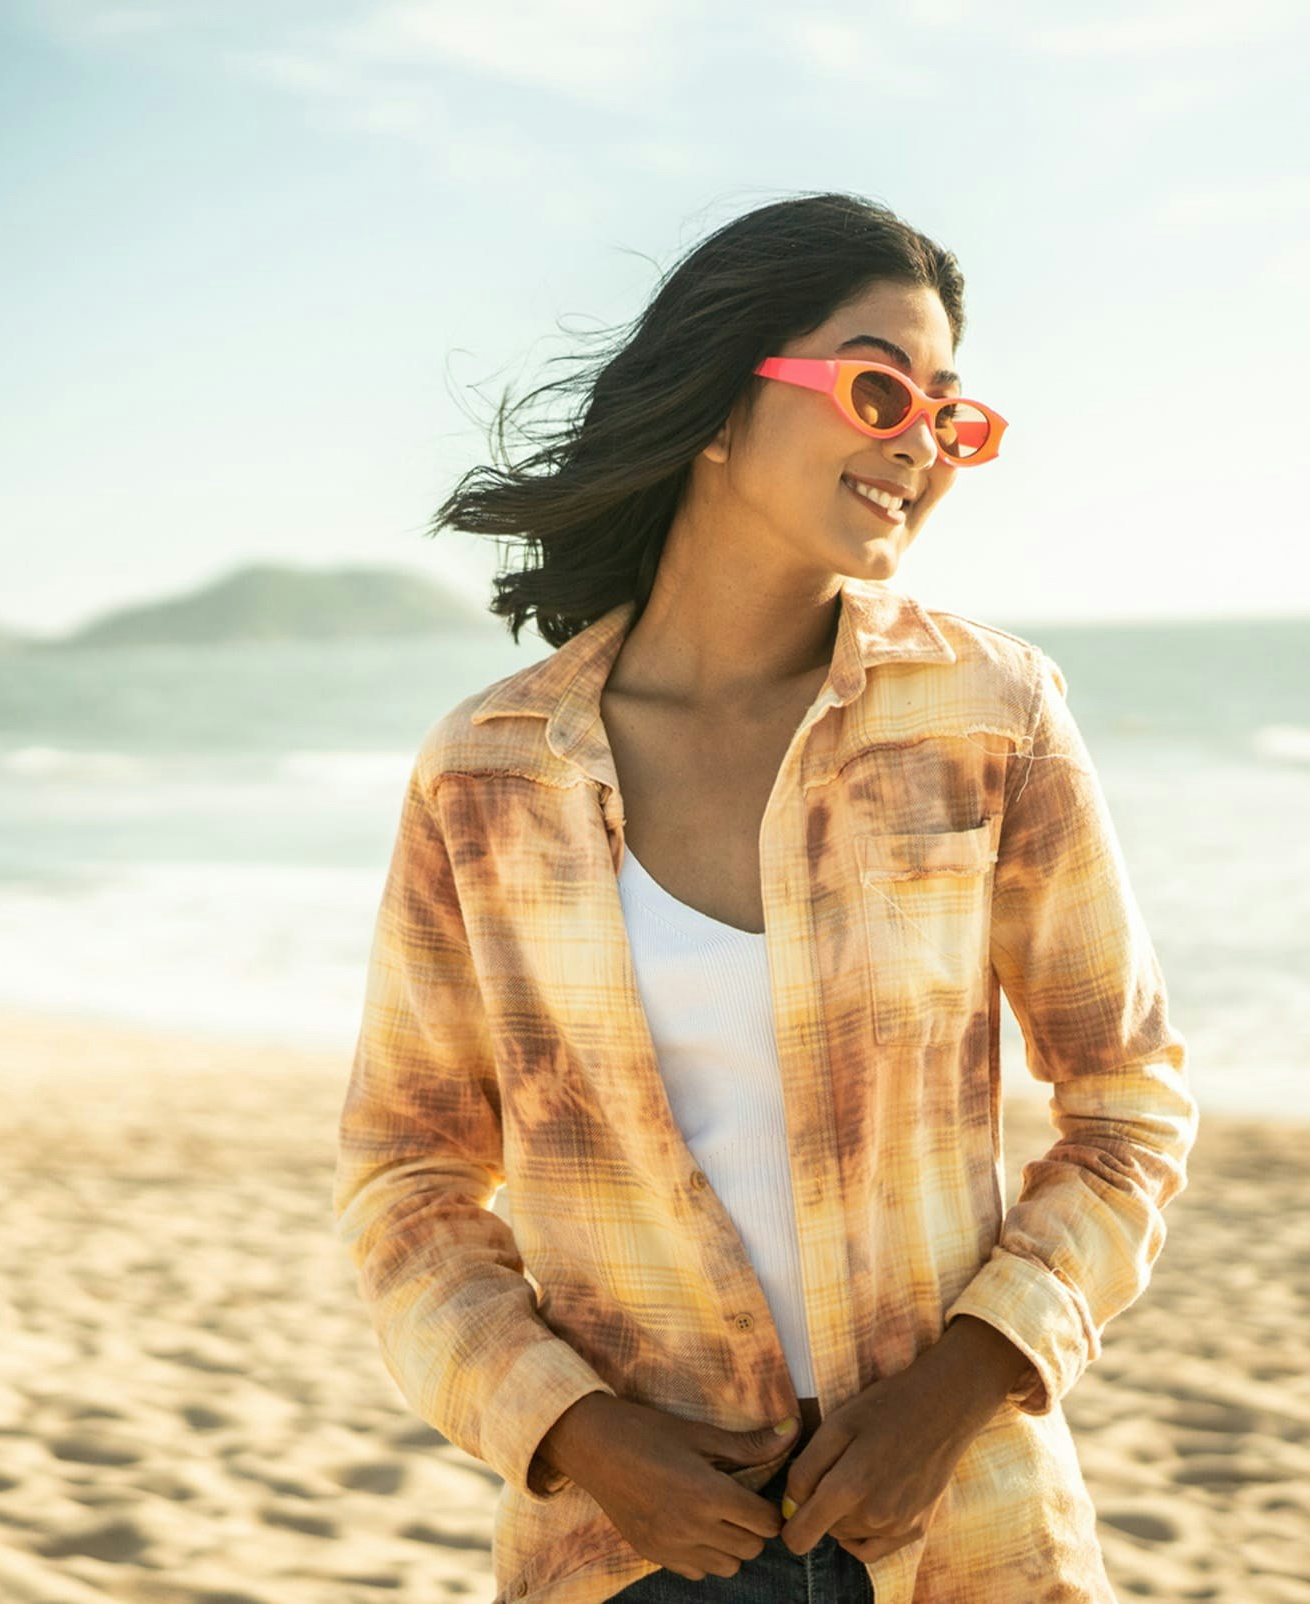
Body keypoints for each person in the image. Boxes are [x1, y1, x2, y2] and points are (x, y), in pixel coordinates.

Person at [333, 192, 1198, 1604]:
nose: (919, 443)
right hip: (628, 1557)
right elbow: (410, 1181)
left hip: (956, 1531)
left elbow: (1130, 1103)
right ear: (721, 408)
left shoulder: (989, 717)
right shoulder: (489, 777)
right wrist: (575, 1433)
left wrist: (966, 1382)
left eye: (952, 418)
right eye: (877, 388)